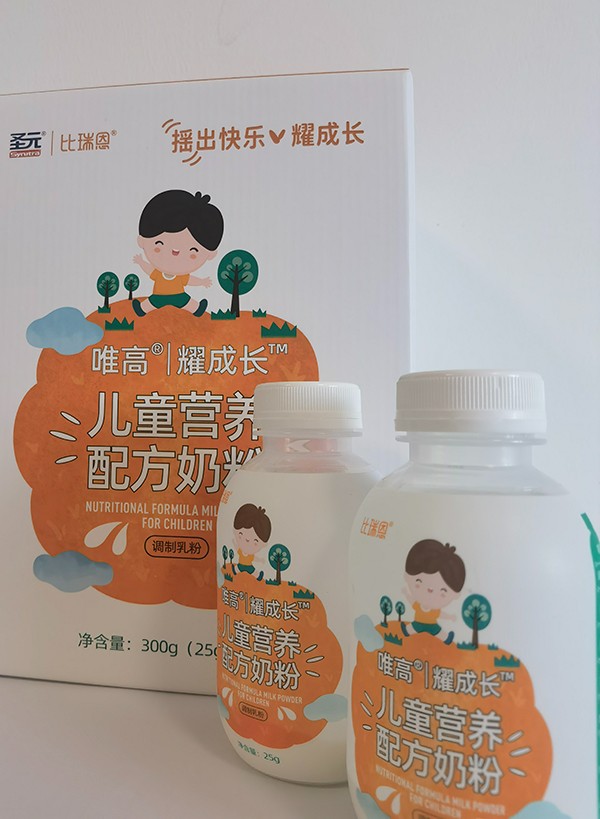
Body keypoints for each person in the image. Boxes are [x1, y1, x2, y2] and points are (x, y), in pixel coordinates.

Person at [132, 189, 224, 317]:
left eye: (192, 252)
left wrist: (202, 281)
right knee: (153, 302)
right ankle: (142, 309)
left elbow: (190, 280)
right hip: (159, 296)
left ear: (210, 254)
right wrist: (141, 262)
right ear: (142, 241)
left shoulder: (180, 276)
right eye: (159, 245)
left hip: (178, 296)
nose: (175, 253)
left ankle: (197, 309)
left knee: (186, 301)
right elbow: (149, 270)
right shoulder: (159, 273)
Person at [401, 539, 466, 644]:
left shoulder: (433, 611)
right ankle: (406, 631)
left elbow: (441, 615)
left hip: (432, 626)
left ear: (455, 595)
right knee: (414, 627)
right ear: (408, 577)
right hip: (418, 623)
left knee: (438, 632)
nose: (429, 591)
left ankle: (447, 639)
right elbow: (411, 600)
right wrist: (406, 594)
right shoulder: (418, 606)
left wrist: (450, 617)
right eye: (418, 583)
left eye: (443, 592)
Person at [232, 503, 271, 580]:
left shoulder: (250, 556)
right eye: (240, 535)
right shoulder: (241, 552)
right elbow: (237, 548)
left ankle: (258, 576)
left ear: (263, 544)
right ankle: (235, 570)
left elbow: (255, 558)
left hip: (249, 566)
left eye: (255, 542)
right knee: (238, 568)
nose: (246, 541)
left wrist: (260, 560)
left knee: (253, 571)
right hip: (241, 565)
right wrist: (233, 543)